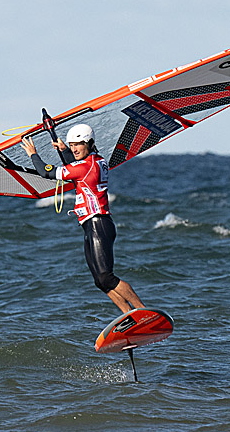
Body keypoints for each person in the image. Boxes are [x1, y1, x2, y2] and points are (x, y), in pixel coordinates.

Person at [20, 123, 146, 314]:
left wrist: (33, 154)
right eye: (72, 145)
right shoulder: (98, 161)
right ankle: (130, 316)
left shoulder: (86, 166)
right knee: (100, 281)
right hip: (92, 226)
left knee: (107, 278)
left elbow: (47, 172)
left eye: (78, 144)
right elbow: (77, 169)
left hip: (98, 223)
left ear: (89, 143)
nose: (74, 149)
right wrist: (64, 150)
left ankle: (143, 312)